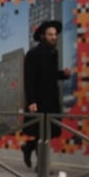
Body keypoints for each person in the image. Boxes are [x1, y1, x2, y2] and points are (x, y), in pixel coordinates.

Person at [21, 19, 72, 169]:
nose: (54, 37)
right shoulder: (33, 54)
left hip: (51, 99)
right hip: (39, 101)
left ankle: (29, 148)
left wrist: (63, 74)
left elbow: (50, 75)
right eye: (50, 34)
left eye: (55, 34)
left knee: (46, 134)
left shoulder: (53, 54)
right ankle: (42, 166)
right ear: (43, 36)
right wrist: (31, 101)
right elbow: (29, 79)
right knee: (42, 133)